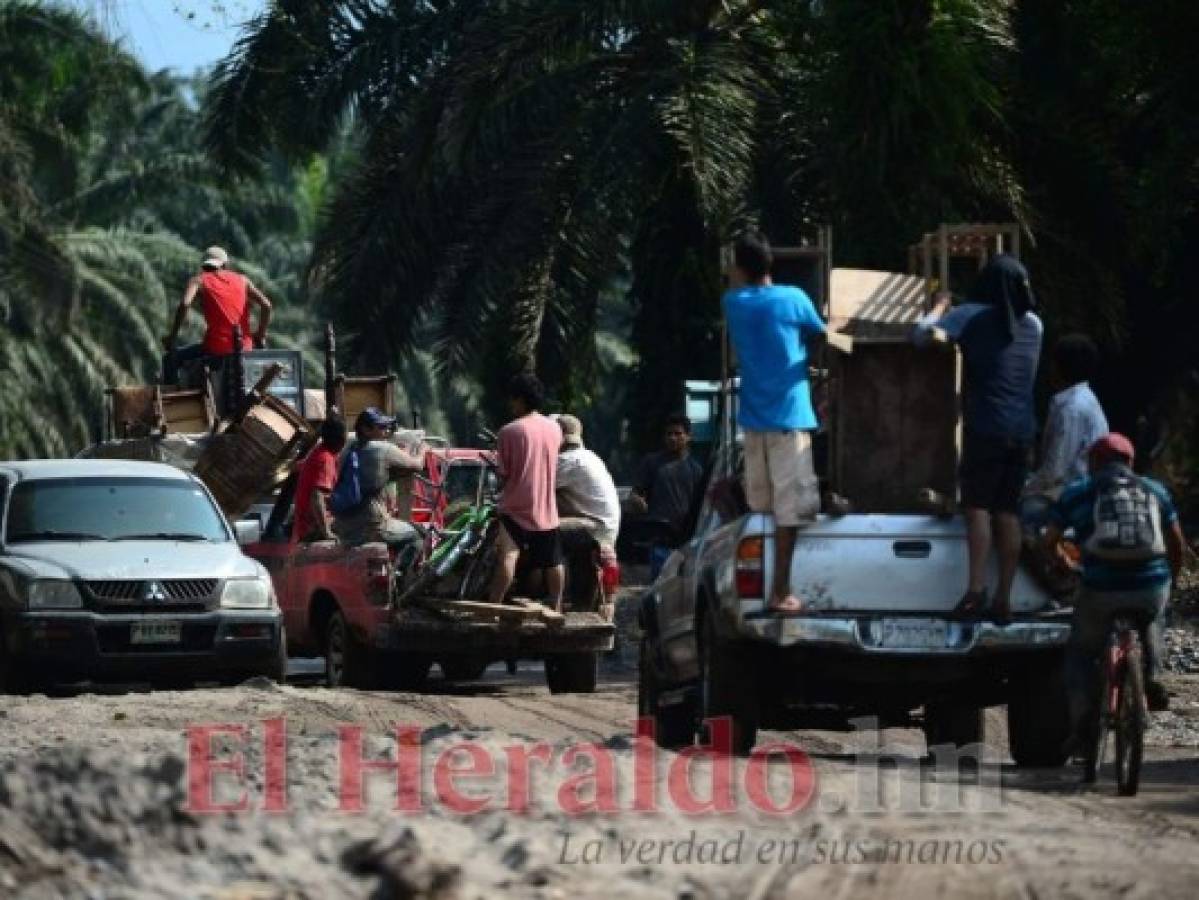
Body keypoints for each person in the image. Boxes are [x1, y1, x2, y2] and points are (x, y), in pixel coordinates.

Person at [913, 254, 1043, 622]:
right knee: (1008, 511)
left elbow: (920, 336)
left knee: (978, 509)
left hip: (986, 427)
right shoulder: (1034, 325)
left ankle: (974, 592)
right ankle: (1005, 596)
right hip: (1023, 430)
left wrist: (939, 306)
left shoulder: (969, 315)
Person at [1044, 433, 1186, 745]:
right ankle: (1153, 676)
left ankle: (1081, 718)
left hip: (1100, 588)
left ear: (1093, 463)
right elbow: (1176, 542)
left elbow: (1048, 539)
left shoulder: (1079, 492)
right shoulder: (1155, 490)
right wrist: (1169, 580)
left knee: (1080, 652)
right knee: (1155, 618)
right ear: (1131, 462)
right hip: (1150, 585)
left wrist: (1063, 564)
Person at [722, 231, 827, 613]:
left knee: (762, 508)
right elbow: (821, 334)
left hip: (753, 420)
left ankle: (766, 586)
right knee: (790, 510)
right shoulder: (795, 299)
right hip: (790, 415)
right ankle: (781, 589)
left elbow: (740, 288)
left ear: (741, 267)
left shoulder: (733, 302)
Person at [487, 373, 565, 608]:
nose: (511, 404)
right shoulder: (555, 429)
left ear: (520, 399)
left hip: (515, 508)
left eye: (512, 399)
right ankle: (557, 605)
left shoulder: (509, 431)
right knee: (554, 561)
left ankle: (494, 607)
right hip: (546, 509)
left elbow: (503, 474)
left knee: (509, 556)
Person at [162, 246, 274, 385]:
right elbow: (267, 305)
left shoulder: (199, 280)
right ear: (225, 265)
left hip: (215, 350)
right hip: (246, 348)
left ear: (204, 265)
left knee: (170, 359)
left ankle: (175, 405)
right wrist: (260, 334)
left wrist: (172, 337)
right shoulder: (243, 280)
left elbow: (185, 304)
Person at [1024, 334, 1109, 504]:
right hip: (1074, 488)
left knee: (1019, 509)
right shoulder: (1082, 400)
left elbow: (1056, 470)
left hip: (1074, 494)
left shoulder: (1072, 409)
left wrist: (1025, 489)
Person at [332, 407, 425, 546]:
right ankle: (402, 568)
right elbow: (417, 465)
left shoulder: (347, 450)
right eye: (381, 427)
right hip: (372, 526)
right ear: (366, 429)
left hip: (343, 525)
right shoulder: (383, 449)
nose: (386, 432)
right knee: (417, 535)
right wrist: (423, 449)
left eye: (387, 427)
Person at [629, 414, 705, 577]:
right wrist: (637, 501)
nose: (672, 438)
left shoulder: (696, 469)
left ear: (688, 437)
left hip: (687, 539)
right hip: (659, 537)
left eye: (678, 434)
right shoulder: (652, 463)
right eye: (669, 434)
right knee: (660, 585)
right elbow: (636, 493)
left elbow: (701, 504)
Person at [554, 414, 621, 550]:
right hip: (603, 525)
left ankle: (550, 571)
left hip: (595, 527)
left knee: (541, 531)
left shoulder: (568, 460)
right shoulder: (589, 456)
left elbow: (535, 487)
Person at [292, 417, 348, 543]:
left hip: (308, 523)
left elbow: (299, 466)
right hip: (312, 528)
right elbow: (317, 497)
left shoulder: (319, 452)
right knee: (366, 523)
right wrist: (326, 532)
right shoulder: (325, 459)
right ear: (341, 440)